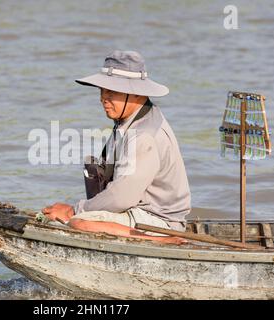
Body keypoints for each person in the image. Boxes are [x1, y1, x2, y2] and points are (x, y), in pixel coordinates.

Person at [42, 50, 191, 245]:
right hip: (139, 213)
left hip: (158, 222)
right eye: (102, 91)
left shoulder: (143, 135)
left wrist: (75, 210)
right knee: (62, 217)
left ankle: (162, 240)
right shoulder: (131, 119)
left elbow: (122, 197)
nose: (103, 98)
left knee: (79, 224)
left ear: (136, 94)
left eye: (112, 92)